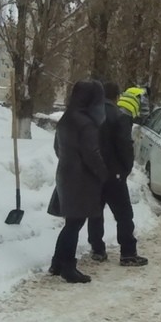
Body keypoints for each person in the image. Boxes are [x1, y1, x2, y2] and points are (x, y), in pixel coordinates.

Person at [49, 79, 109, 283]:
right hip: (81, 179)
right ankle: (67, 267)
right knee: (75, 224)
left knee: (71, 222)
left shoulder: (66, 119)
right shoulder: (87, 124)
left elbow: (57, 148)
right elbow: (92, 154)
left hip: (65, 175)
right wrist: (104, 174)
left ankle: (57, 262)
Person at [88, 81, 148, 267]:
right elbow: (125, 147)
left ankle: (97, 249)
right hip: (114, 175)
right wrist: (124, 170)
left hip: (94, 173)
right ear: (117, 97)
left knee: (95, 212)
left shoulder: (90, 115)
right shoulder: (119, 117)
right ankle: (128, 253)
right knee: (123, 214)